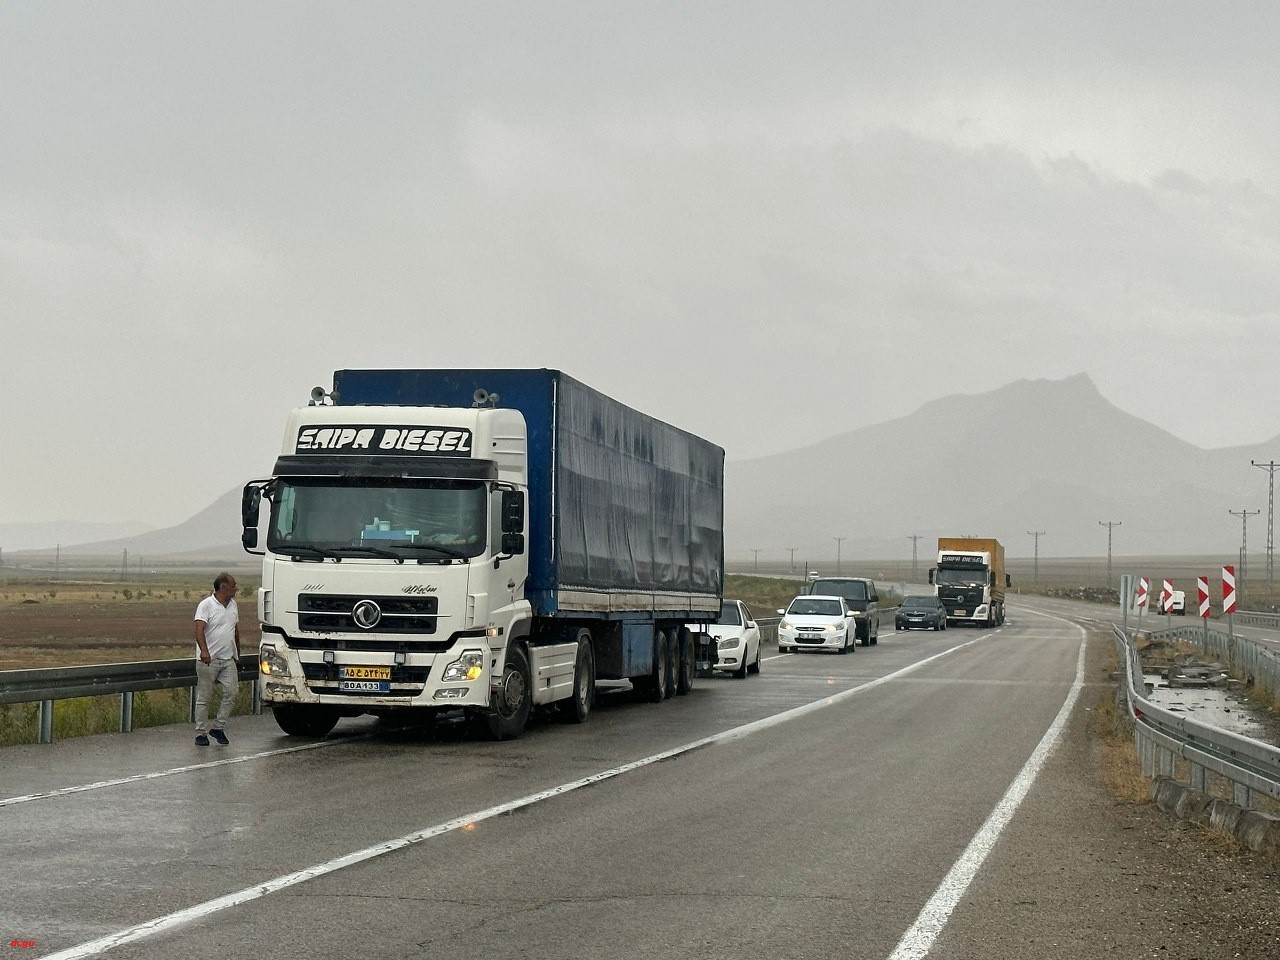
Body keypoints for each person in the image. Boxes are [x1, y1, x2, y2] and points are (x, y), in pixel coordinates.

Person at [193, 572, 242, 746]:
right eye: (233, 585)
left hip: (227, 658)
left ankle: (218, 727)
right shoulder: (206, 605)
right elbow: (199, 629)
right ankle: (201, 733)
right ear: (223, 587)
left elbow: (234, 629)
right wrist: (204, 651)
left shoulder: (233, 605)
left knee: (231, 692)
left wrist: (237, 652)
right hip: (209, 660)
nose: (236, 588)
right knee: (204, 697)